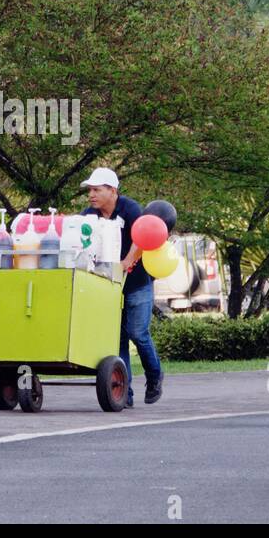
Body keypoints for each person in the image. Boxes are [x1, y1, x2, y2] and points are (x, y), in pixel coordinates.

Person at [81, 167, 163, 406]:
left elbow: (142, 237)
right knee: (117, 341)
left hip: (136, 284)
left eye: (97, 190)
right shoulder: (90, 215)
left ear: (112, 191)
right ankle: (124, 392)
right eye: (90, 190)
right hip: (108, 288)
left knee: (138, 333)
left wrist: (129, 260)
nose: (91, 195)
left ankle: (155, 376)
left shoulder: (130, 208)